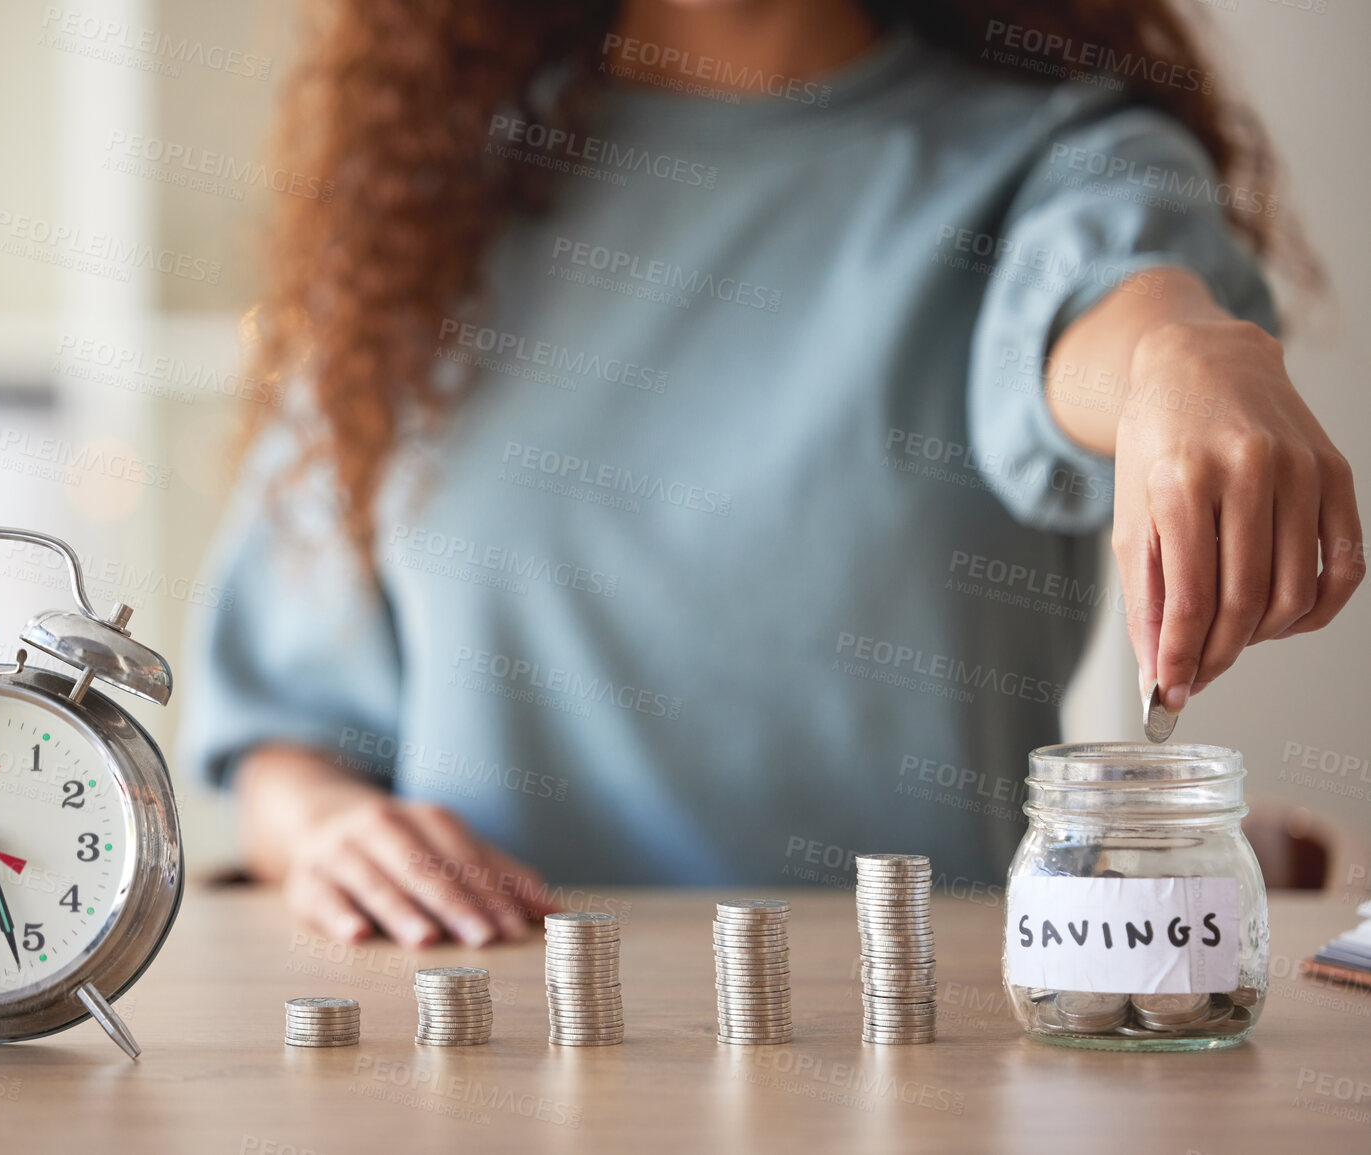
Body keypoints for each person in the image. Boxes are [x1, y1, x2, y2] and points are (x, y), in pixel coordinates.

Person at [181, 0, 1363, 948]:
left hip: (924, 1066)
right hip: (488, 1048)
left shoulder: (1056, 157)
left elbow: (1100, 304)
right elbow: (288, 734)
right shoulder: (418, 210)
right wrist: (332, 832)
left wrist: (1180, 352)